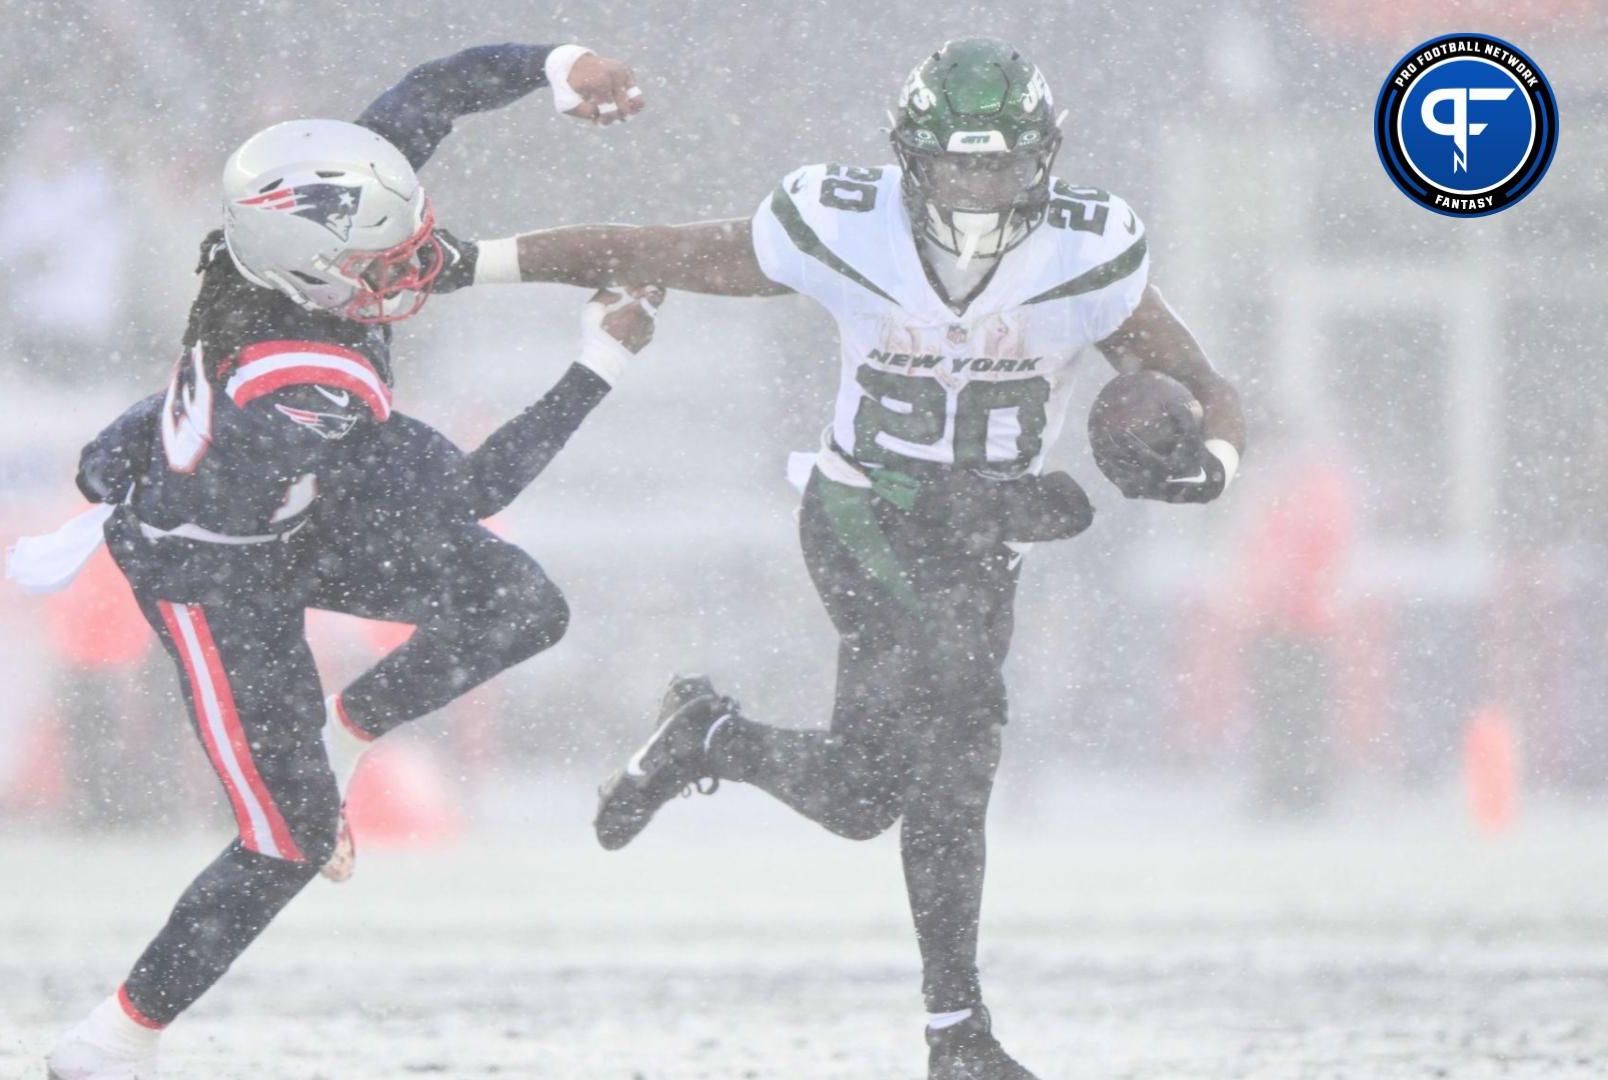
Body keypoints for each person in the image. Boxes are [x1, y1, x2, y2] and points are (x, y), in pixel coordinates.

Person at [462, 37, 1246, 1080]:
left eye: (1001, 165)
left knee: (871, 796)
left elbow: (1208, 386)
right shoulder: (844, 224)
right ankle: (958, 1035)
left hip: (984, 543)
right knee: (963, 724)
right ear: (912, 160)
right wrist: (471, 262)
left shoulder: (1090, 251)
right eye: (960, 164)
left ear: (1045, 159)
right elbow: (650, 244)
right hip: (866, 512)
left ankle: (712, 739)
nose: (979, 187)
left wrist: (1215, 467)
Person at [35, 42, 655, 1080]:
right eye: (389, 260)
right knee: (286, 839)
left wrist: (558, 64)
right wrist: (601, 362)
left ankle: (350, 723)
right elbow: (473, 490)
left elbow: (429, 93)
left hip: (291, 512)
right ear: (314, 278)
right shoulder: (312, 382)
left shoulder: (285, 243)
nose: (419, 262)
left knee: (519, 602)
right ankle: (108, 1043)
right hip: (216, 580)